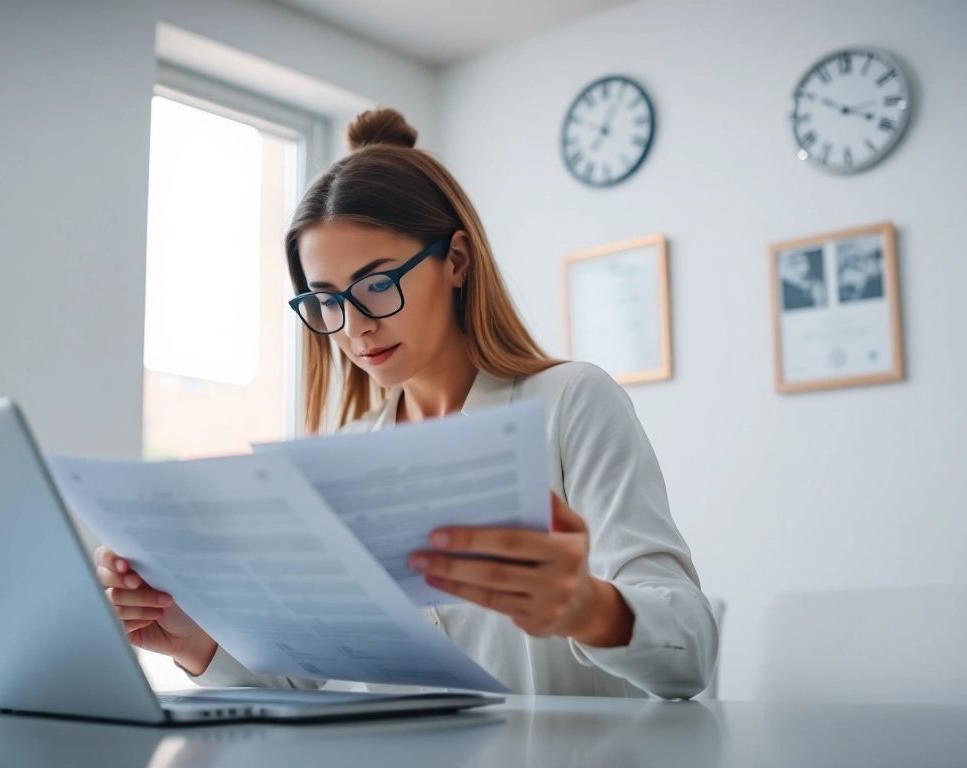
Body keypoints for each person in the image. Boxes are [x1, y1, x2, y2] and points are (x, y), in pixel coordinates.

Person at [94, 108, 718, 699]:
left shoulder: (572, 402)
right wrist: (194, 643)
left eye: (377, 284)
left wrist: (587, 605)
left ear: (456, 260)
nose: (355, 325)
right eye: (327, 299)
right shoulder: (342, 458)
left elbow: (690, 651)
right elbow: (301, 676)